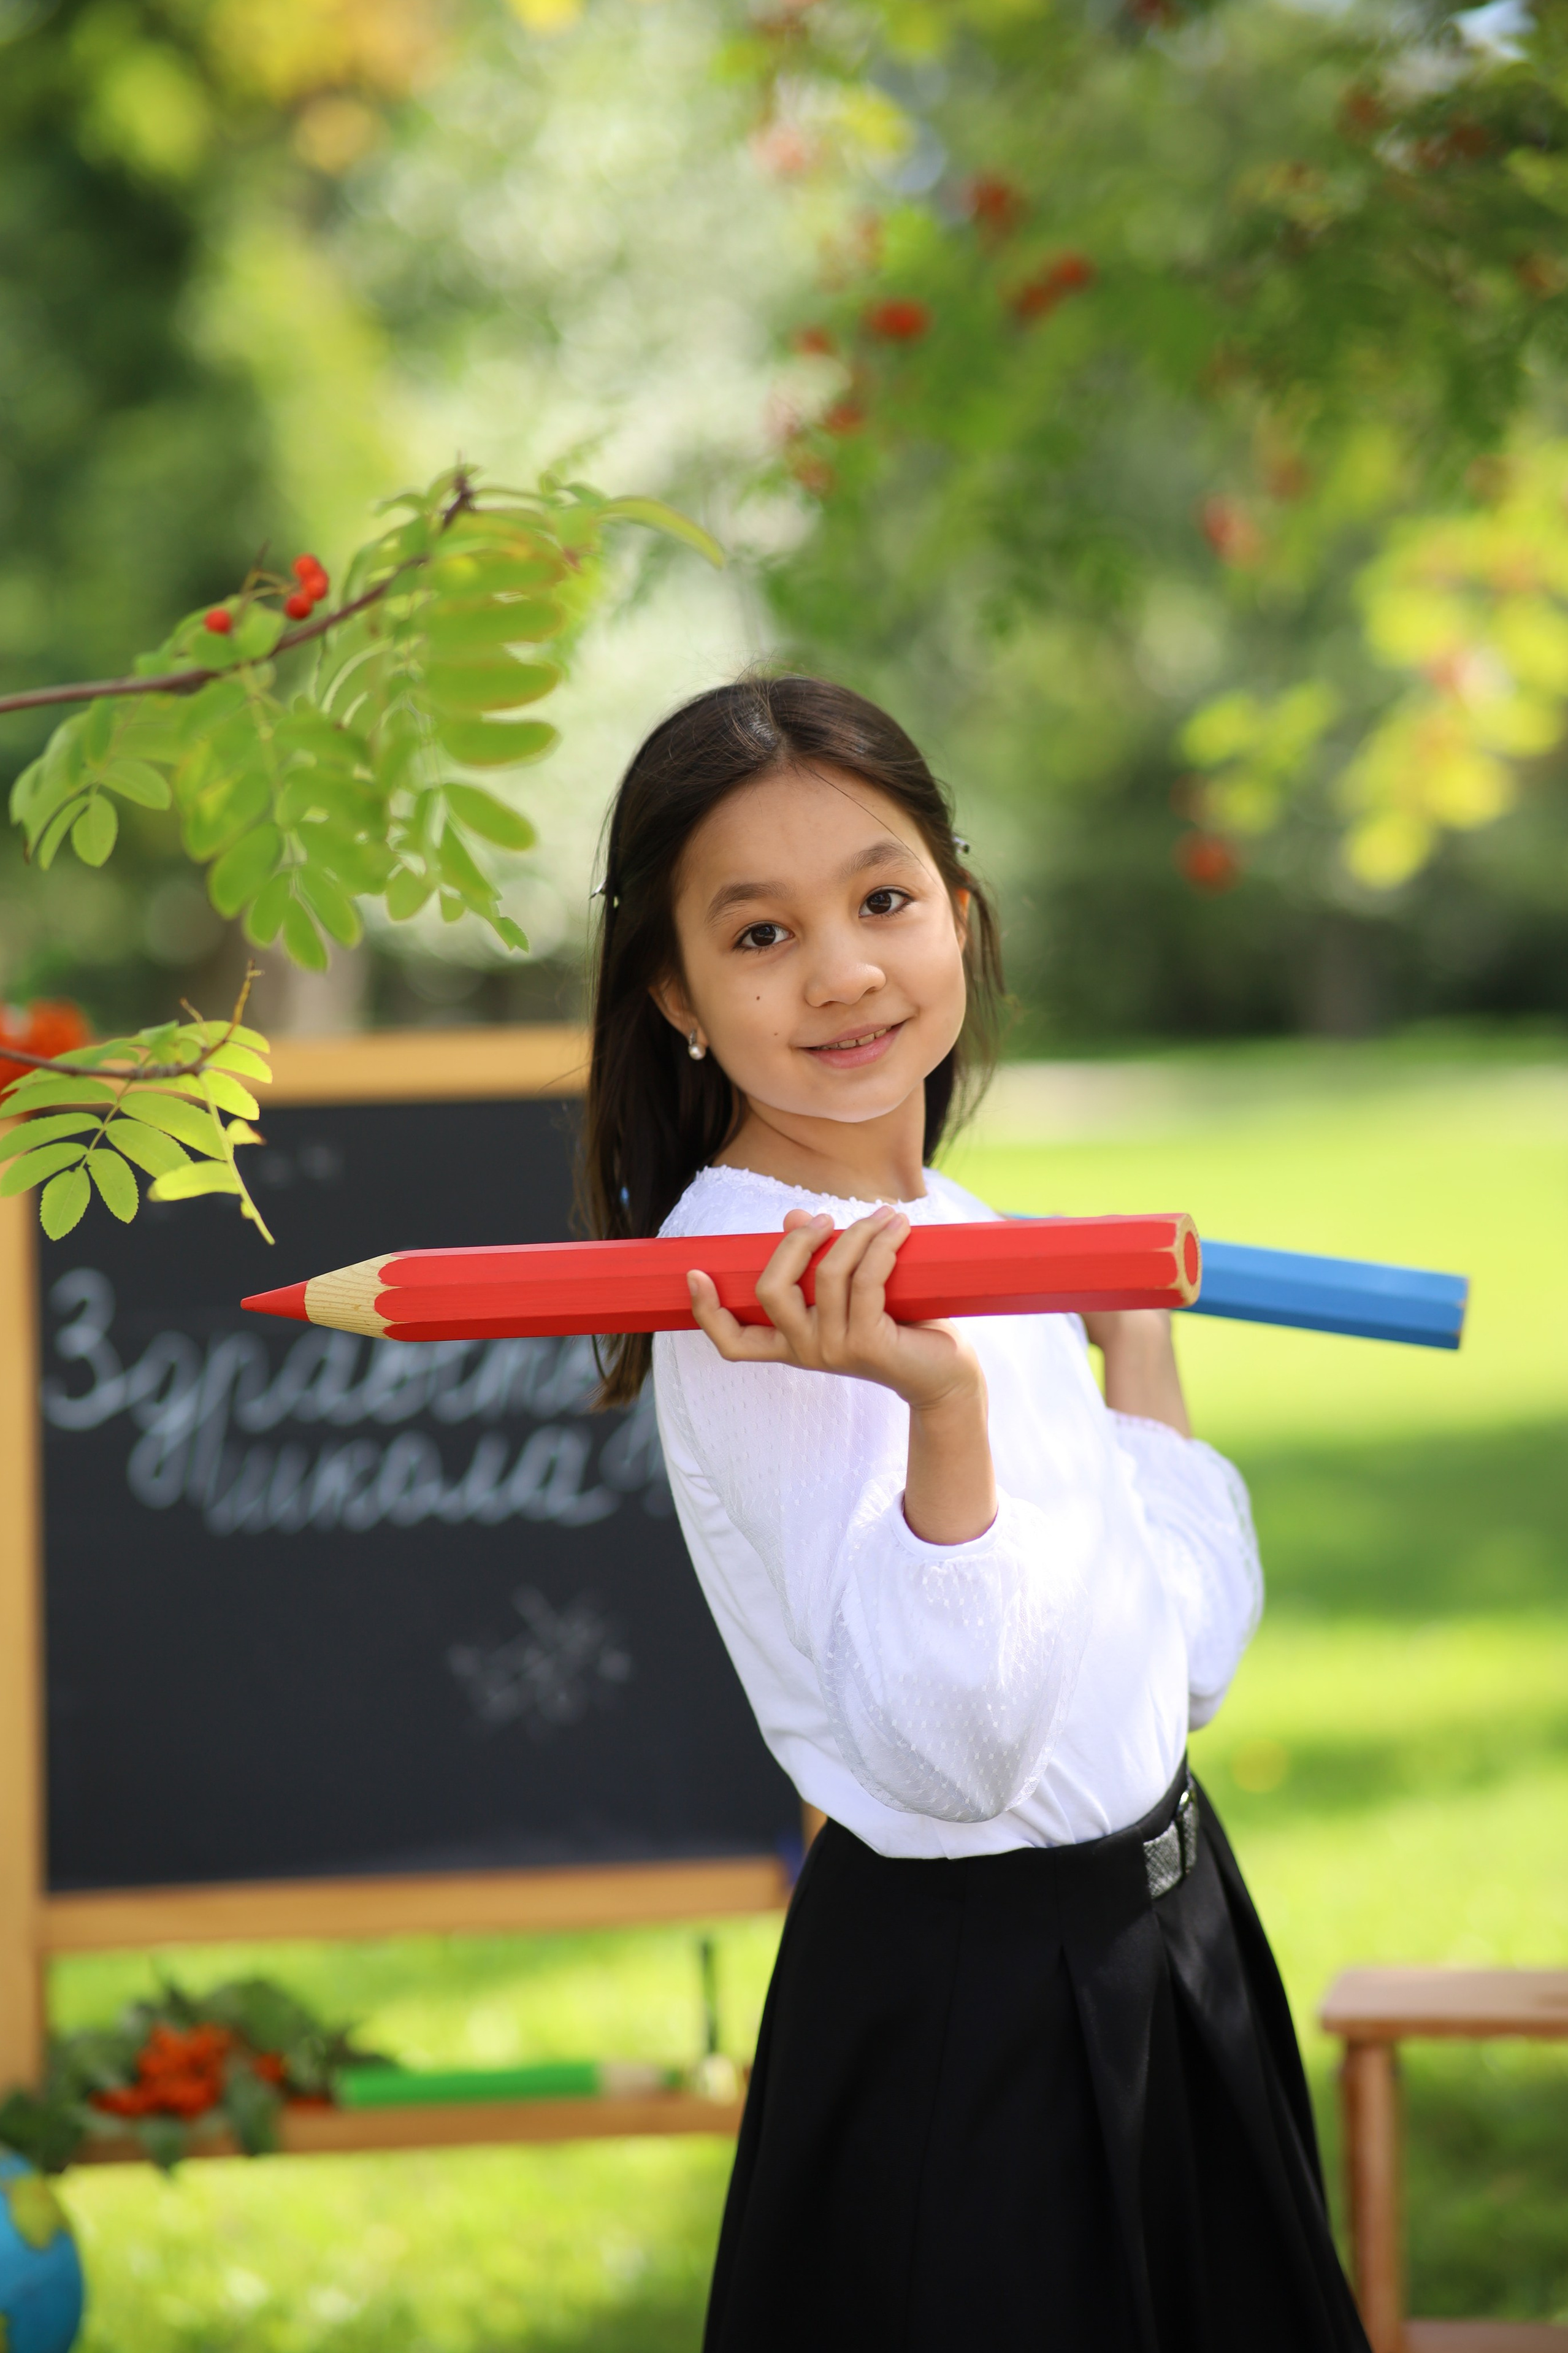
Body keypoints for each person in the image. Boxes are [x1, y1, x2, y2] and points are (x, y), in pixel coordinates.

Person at [583, 675, 1370, 2353]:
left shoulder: (955, 1220)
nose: (848, 970)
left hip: (1171, 1936)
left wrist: (1132, 1337)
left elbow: (1182, 1666)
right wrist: (942, 1407)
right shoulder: (754, 1287)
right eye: (762, 934)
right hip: (984, 2011)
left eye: (882, 900)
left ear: (962, 910)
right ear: (675, 993)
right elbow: (959, 1751)